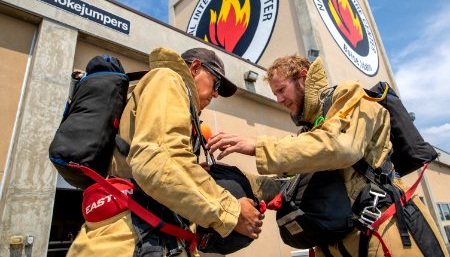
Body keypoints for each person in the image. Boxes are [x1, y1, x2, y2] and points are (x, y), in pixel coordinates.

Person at [206, 54, 449, 256]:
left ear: (302, 77)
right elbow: (288, 190)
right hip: (339, 243)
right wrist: (228, 178)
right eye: (275, 94)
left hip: (385, 232)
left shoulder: (349, 96)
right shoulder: (310, 135)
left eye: (281, 90)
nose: (279, 100)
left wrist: (259, 146)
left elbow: (342, 147)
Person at [67, 47, 264, 257]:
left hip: (137, 235)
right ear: (195, 68)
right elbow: (159, 161)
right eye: (216, 83)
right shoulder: (168, 80)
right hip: (132, 240)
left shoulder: (168, 97)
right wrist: (232, 211)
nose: (216, 93)